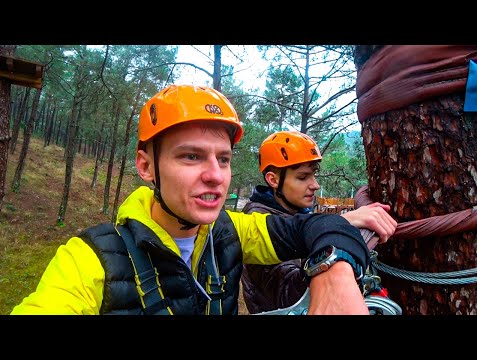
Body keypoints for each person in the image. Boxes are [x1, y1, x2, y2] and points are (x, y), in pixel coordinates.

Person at [11, 84, 374, 315]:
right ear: (146, 166)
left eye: (224, 159)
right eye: (191, 156)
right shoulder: (89, 260)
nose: (215, 175)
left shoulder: (230, 229)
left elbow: (313, 225)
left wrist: (334, 270)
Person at [241, 130, 397, 314]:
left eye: (314, 175)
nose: (315, 184)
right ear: (273, 180)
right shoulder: (259, 221)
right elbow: (290, 296)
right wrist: (340, 226)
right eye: (302, 177)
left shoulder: (293, 211)